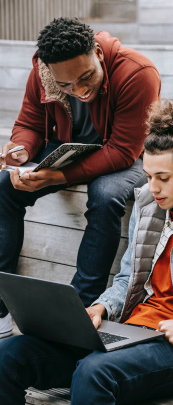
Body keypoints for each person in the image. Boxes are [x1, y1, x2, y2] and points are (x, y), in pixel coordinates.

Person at [0, 101, 173, 405]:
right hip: (129, 331)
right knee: (9, 355)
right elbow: (127, 279)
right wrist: (100, 309)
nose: (154, 188)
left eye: (163, 178)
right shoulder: (148, 203)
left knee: (93, 373)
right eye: (148, 176)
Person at [0, 17, 161, 339]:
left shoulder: (137, 72)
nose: (80, 90)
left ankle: (80, 307)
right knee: (4, 186)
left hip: (125, 154)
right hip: (68, 147)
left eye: (86, 77)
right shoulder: (44, 73)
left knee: (105, 195)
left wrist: (57, 176)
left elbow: (123, 149)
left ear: (98, 54)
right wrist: (20, 151)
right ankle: (2, 308)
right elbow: (29, 124)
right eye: (66, 86)